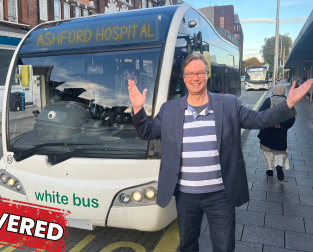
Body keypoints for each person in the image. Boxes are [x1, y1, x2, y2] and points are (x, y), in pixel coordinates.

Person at [128, 53, 313, 252]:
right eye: (190, 73)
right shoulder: (169, 109)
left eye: (200, 72)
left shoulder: (229, 105)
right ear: (184, 77)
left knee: (224, 247)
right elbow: (149, 132)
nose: (195, 77)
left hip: (220, 194)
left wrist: (289, 104)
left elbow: (260, 120)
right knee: (187, 246)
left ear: (207, 75)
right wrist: (138, 110)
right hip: (185, 195)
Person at [258, 84, 296, 181]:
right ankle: (279, 166)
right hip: (281, 133)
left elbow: (260, 114)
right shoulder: (288, 102)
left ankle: (270, 170)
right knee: (280, 151)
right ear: (283, 91)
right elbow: (292, 119)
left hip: (267, 131)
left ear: (274, 91)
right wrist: (285, 127)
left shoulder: (268, 101)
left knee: (267, 151)